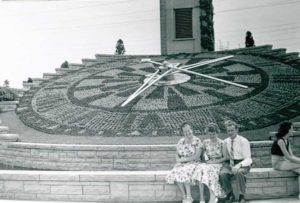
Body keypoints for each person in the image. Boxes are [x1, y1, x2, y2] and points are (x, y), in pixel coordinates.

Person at [166, 123, 202, 203]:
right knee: (176, 171)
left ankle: (189, 196)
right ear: (183, 132)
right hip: (183, 163)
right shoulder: (181, 141)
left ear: (192, 130)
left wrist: (183, 160)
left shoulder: (197, 141)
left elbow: (197, 156)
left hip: (194, 163)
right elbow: (177, 154)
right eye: (185, 131)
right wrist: (178, 161)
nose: (187, 132)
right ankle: (184, 195)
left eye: (188, 130)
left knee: (184, 170)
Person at [219, 120, 252, 203]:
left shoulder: (243, 141)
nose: (230, 132)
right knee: (222, 174)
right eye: (228, 131)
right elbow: (226, 156)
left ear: (237, 130)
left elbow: (248, 159)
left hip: (242, 163)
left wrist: (238, 166)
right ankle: (230, 194)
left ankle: (242, 196)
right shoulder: (226, 141)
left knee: (239, 173)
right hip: (230, 163)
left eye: (232, 130)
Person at [192, 123, 227, 203]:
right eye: (210, 134)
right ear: (208, 133)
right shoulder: (205, 142)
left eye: (214, 134)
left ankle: (213, 196)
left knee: (207, 170)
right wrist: (204, 160)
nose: (212, 136)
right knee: (200, 169)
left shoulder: (222, 143)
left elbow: (225, 157)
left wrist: (213, 162)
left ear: (217, 133)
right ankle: (202, 198)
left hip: (218, 164)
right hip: (208, 164)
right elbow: (201, 154)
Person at [271, 121, 300, 199]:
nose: (293, 131)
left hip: (284, 162)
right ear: (287, 130)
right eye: (292, 129)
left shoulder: (287, 140)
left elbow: (292, 156)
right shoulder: (280, 141)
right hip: (278, 164)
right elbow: (288, 157)